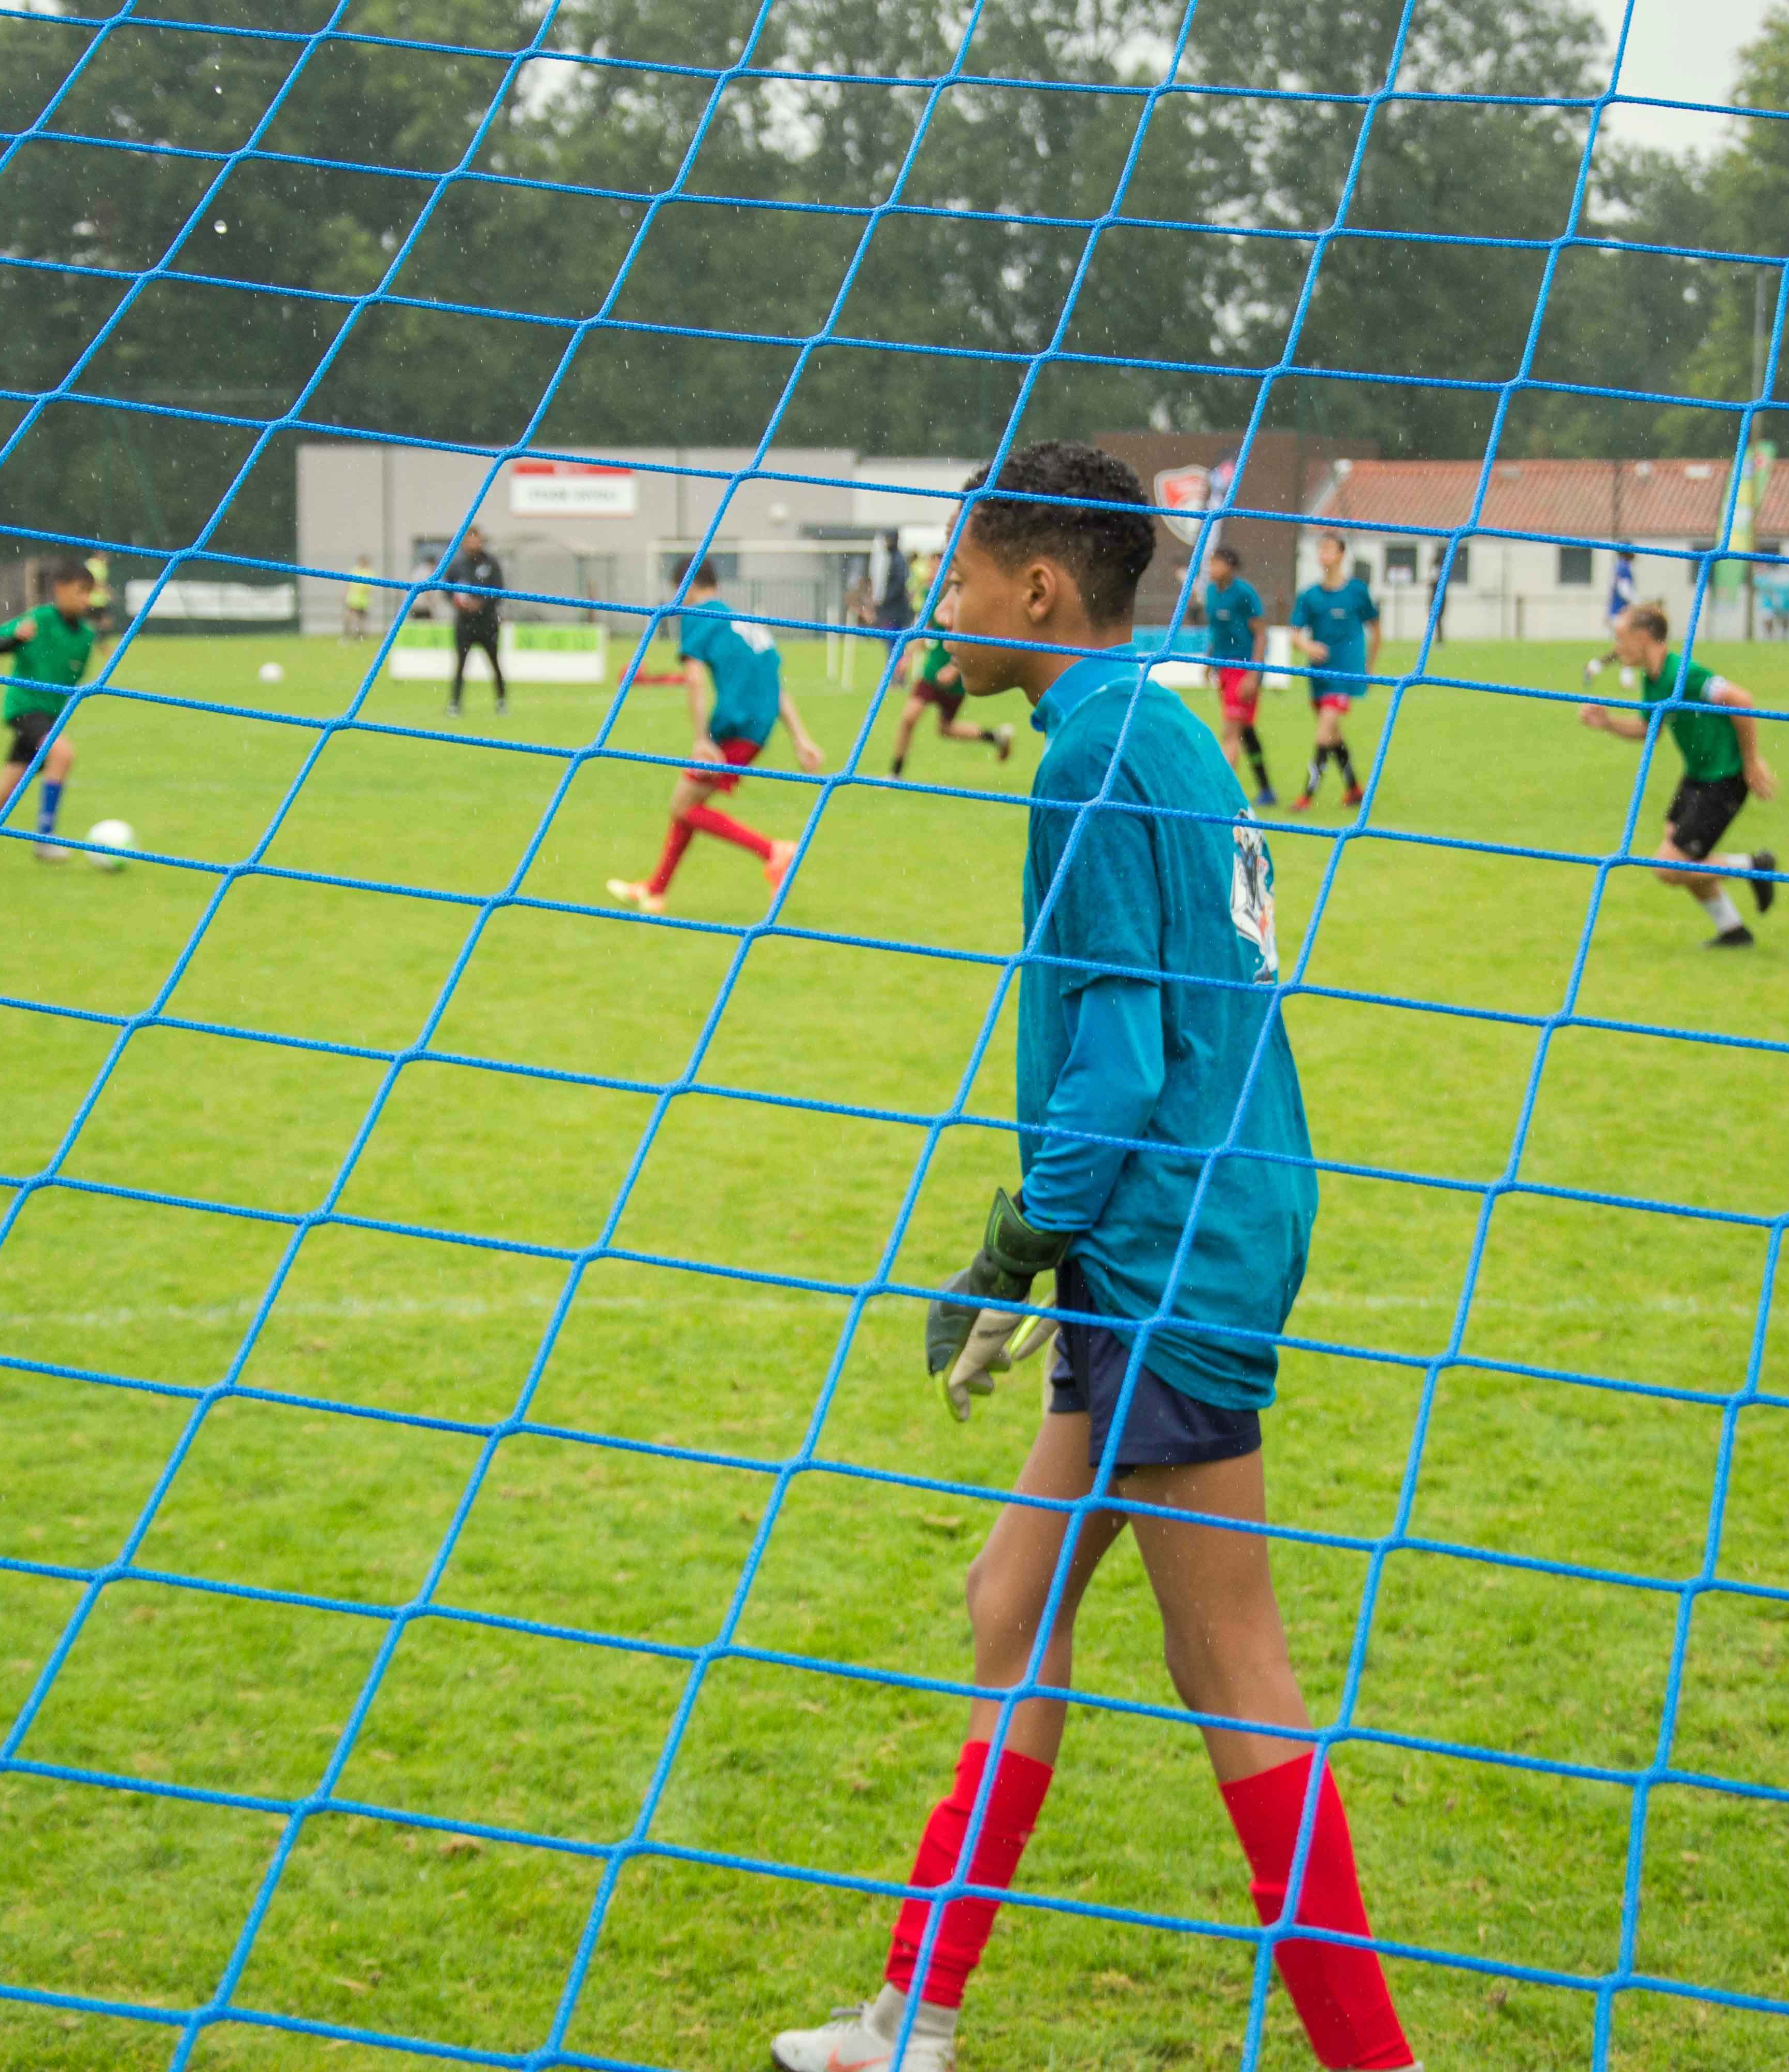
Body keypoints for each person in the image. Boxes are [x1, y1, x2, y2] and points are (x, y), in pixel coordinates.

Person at [766, 440, 1421, 2072]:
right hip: (1183, 1225)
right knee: (1011, 1598)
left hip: (1164, 1246)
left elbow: (1121, 1066)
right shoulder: (1159, 725)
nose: (943, 606)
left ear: (1038, 585)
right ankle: (907, 2023)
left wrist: (1004, 1254)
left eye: (962, 574)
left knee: (1234, 1669)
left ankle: (1376, 2062)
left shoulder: (1091, 759)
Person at [607, 561, 822, 913]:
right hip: (757, 728)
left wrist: (702, 738)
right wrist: (800, 737)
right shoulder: (747, 623)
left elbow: (694, 679)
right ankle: (656, 891)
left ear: (686, 587)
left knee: (684, 806)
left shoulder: (697, 615)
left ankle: (774, 852)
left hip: (733, 728)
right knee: (687, 804)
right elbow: (775, 685)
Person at [1580, 601, 1780, 947]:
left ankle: (1753, 866)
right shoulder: (1653, 678)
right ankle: (1733, 930)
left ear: (1643, 637)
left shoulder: (1683, 673)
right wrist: (1608, 723)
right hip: (1697, 776)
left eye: (1621, 637)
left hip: (1724, 778)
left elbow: (1742, 701)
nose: (1617, 647)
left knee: (1669, 868)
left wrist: (1750, 762)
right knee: (1680, 853)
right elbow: (1648, 730)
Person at [0, 557, 97, 865]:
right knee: (63, 755)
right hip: (25, 708)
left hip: (50, 716)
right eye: (80, 591)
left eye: (89, 593)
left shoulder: (86, 636)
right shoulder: (40, 619)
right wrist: (16, 639)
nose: (85, 599)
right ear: (60, 589)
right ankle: (45, 840)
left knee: (7, 787)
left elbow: (75, 679)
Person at [1286, 533, 1376, 812]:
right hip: (1319, 675)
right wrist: (1307, 645)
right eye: (1320, 549)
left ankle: (1307, 796)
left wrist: (1368, 670)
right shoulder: (1309, 595)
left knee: (1324, 733)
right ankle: (1354, 788)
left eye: (1329, 549)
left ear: (1341, 555)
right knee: (1333, 735)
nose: (1323, 554)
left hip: (1346, 675)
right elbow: (1294, 634)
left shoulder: (1357, 592)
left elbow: (1377, 631)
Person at [1195, 543, 1275, 804]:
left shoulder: (1244, 593)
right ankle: (1266, 790)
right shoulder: (1211, 593)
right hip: (1224, 669)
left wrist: (1253, 674)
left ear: (1229, 566)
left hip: (1243, 669)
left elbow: (1261, 632)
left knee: (1231, 731)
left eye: (1216, 563)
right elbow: (1217, 631)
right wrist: (1210, 660)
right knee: (1245, 731)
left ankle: (1221, 793)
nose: (1212, 568)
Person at [890, 625, 1016, 776]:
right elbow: (924, 632)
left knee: (946, 729)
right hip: (930, 676)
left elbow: (974, 643)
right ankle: (895, 774)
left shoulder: (961, 607)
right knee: (909, 718)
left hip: (955, 685)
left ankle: (995, 737)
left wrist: (954, 668)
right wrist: (908, 657)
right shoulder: (932, 605)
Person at [446, 527, 508, 716]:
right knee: (460, 665)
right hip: (464, 624)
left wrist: (481, 604)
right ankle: (455, 704)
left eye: (476, 539)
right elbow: (447, 590)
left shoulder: (491, 564)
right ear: (464, 542)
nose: (473, 543)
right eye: (469, 539)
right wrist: (460, 604)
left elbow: (500, 591)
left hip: (487, 623)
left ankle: (501, 702)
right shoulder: (457, 566)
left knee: (495, 664)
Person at [1581, 548, 1638, 684]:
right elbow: (1624, 590)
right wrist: (1638, 603)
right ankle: (1626, 679)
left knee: (1624, 647)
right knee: (1627, 645)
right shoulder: (1624, 567)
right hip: (1620, 613)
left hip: (1617, 612)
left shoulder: (1618, 567)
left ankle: (1592, 668)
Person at [341, 557, 375, 642]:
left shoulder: (369, 572)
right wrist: (345, 595)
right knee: (348, 618)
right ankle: (347, 636)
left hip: (363, 601)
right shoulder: (355, 570)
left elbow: (370, 588)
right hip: (352, 600)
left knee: (360, 621)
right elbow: (348, 584)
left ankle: (360, 637)